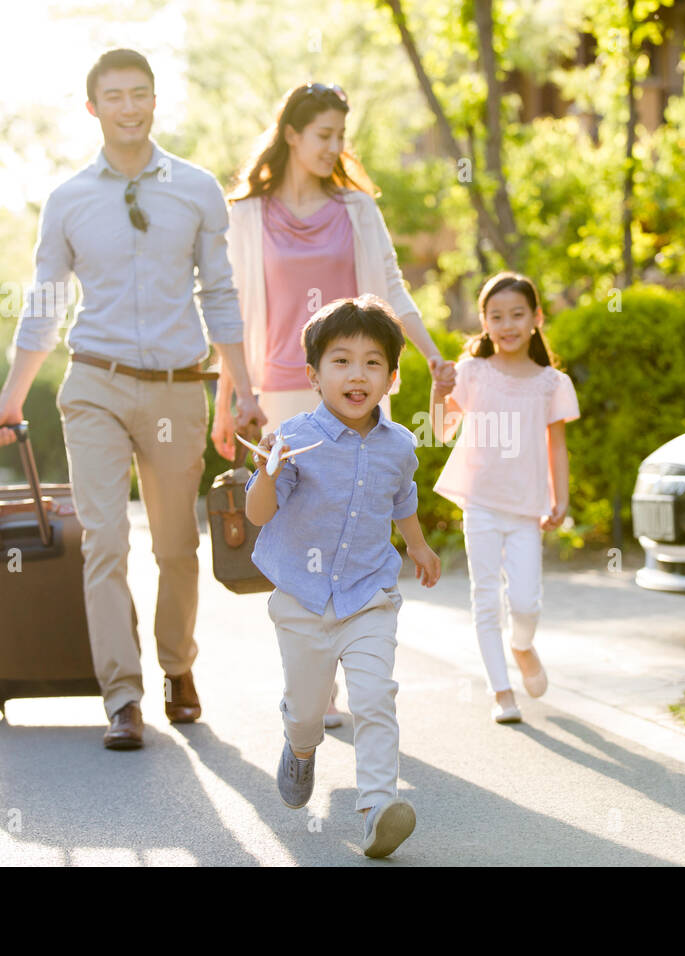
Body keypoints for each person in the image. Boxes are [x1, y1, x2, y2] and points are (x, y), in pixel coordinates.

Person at [0, 49, 255, 750]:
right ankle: (122, 694)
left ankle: (177, 668)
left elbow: (219, 294)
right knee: (104, 541)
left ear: (155, 102)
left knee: (176, 547)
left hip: (175, 388)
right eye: (115, 96)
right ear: (92, 107)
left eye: (140, 94)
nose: (128, 107)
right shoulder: (69, 200)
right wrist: (12, 397)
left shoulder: (196, 189)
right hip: (94, 382)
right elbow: (45, 303)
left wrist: (241, 387)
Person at [213, 81, 454, 727]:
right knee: (293, 535)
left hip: (352, 389)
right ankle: (309, 678)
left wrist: (430, 354)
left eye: (341, 137)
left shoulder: (356, 210)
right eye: (323, 135)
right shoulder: (245, 215)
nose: (333, 147)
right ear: (292, 133)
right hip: (279, 393)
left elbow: (393, 291)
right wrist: (228, 397)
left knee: (354, 526)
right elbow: (228, 311)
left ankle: (342, 680)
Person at [244, 295, 440, 858]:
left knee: (376, 697)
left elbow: (401, 499)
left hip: (367, 596)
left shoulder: (400, 444)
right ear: (314, 374)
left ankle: (379, 806)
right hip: (301, 599)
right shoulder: (293, 438)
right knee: (307, 712)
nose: (358, 374)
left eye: (373, 362)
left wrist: (420, 547)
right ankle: (299, 749)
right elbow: (260, 515)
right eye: (341, 360)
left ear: (392, 377)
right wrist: (265, 473)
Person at [430, 272, 579, 724]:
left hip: (526, 506)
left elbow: (556, 445)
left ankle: (522, 645)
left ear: (536, 318)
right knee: (485, 597)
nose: (508, 324)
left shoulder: (551, 382)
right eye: (496, 316)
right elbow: (441, 430)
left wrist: (562, 498)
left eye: (517, 314)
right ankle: (502, 692)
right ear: (484, 321)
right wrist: (439, 392)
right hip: (480, 501)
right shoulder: (473, 373)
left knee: (526, 603)